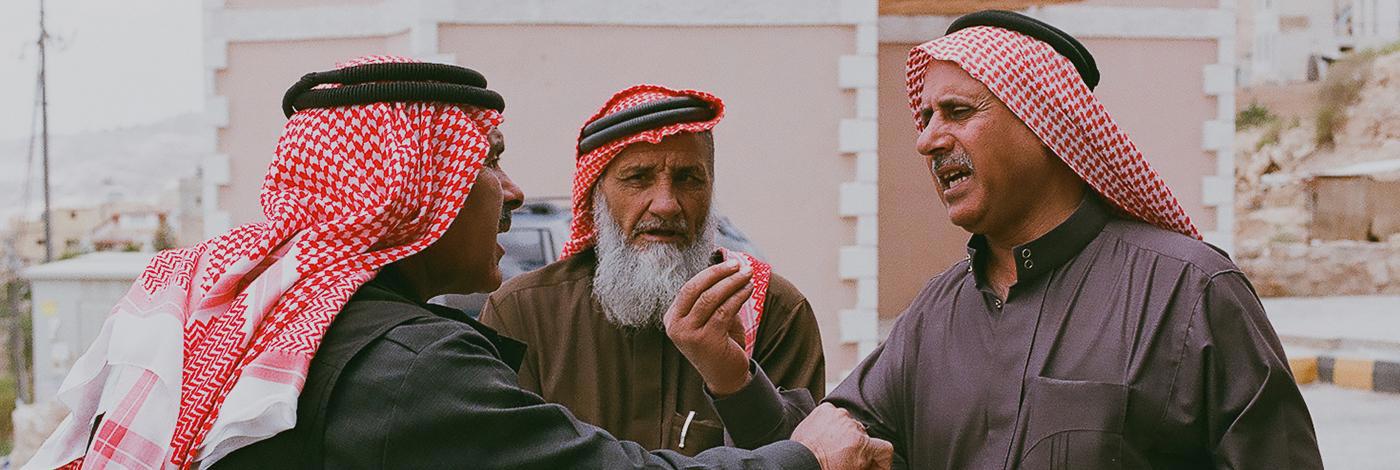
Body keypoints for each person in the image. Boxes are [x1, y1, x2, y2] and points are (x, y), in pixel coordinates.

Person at [27, 57, 889, 470]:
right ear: (412, 186)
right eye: (489, 163)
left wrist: (737, 385)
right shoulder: (412, 361)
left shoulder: (285, 315)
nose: (512, 193)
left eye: (690, 179)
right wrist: (803, 460)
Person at [680, 10, 1324, 469]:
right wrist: (733, 378)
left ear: (1047, 125)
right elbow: (823, 451)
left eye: (958, 112)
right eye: (925, 118)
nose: (928, 140)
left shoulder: (1190, 293)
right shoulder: (934, 316)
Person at [480, 84, 827, 454]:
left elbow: (806, 457)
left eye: (688, 179)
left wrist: (735, 384)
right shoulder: (523, 314)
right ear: (597, 195)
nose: (666, 204)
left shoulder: (773, 309)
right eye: (638, 178)